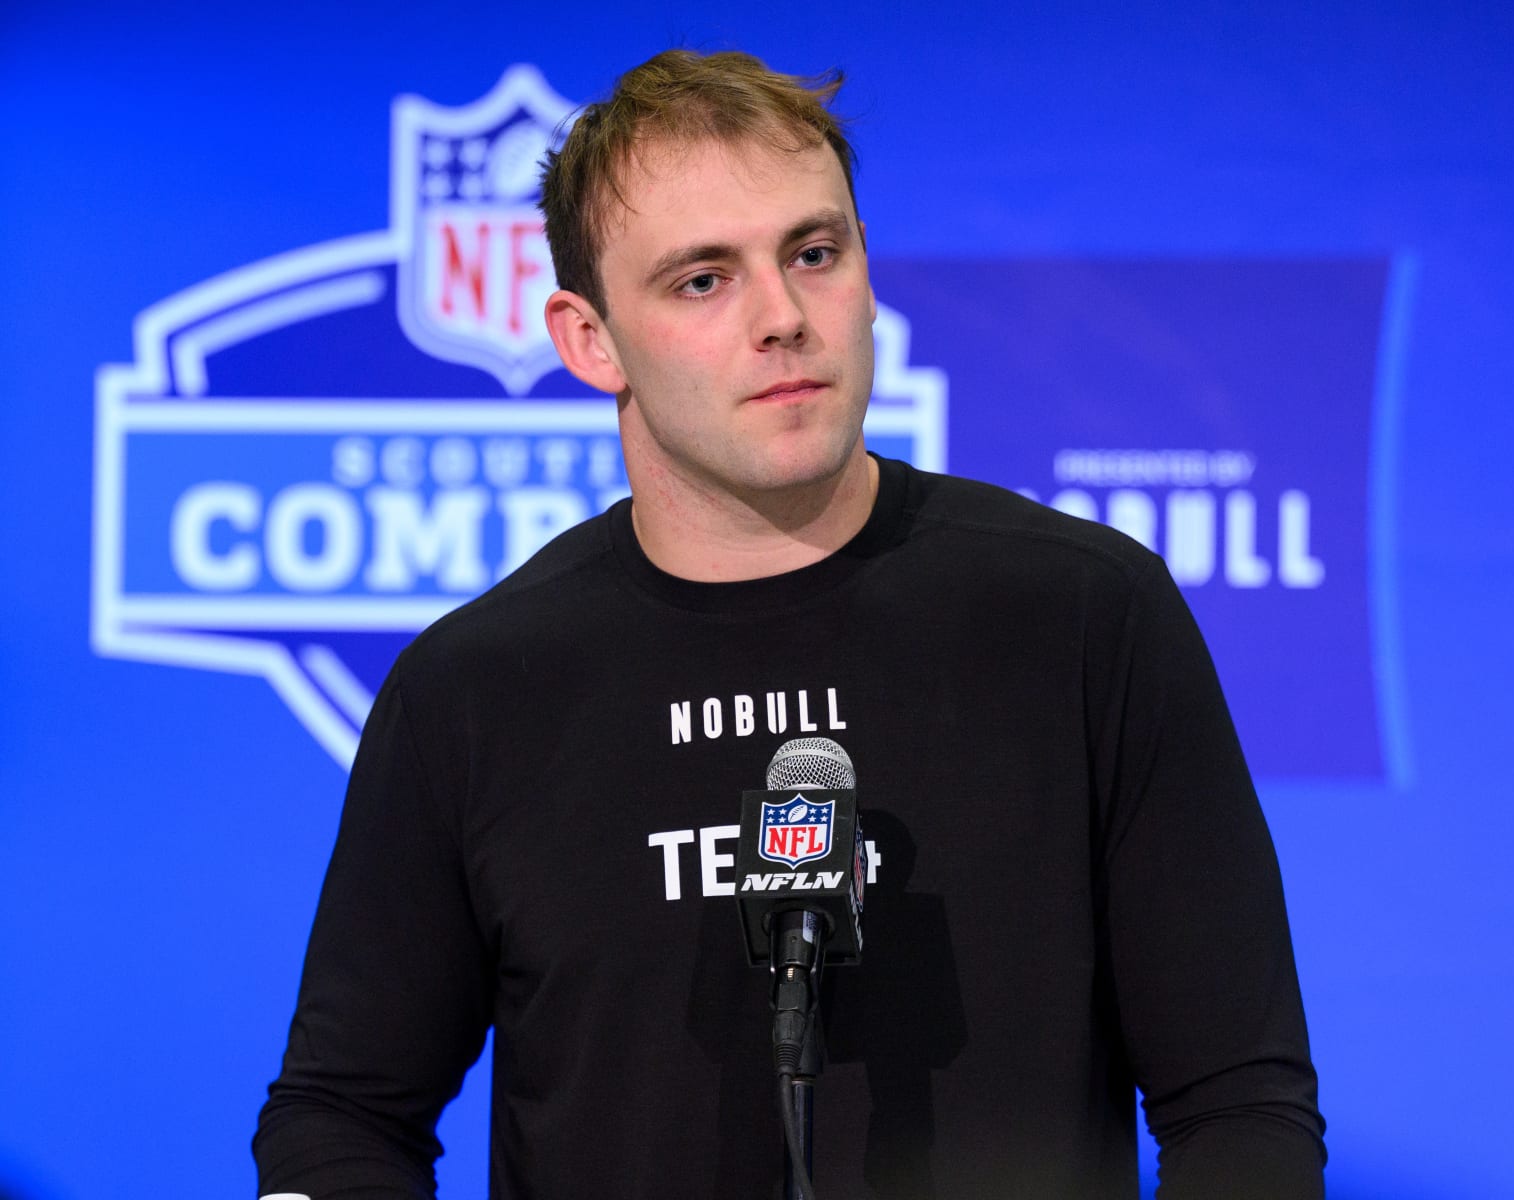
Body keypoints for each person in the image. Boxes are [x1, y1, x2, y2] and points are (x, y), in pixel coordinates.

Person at [254, 48, 1325, 1199]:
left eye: (814, 253)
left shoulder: (1080, 616)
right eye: (702, 280)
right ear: (588, 340)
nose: (782, 318)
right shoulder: (477, 689)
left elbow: (1239, 1106)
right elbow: (339, 1119)